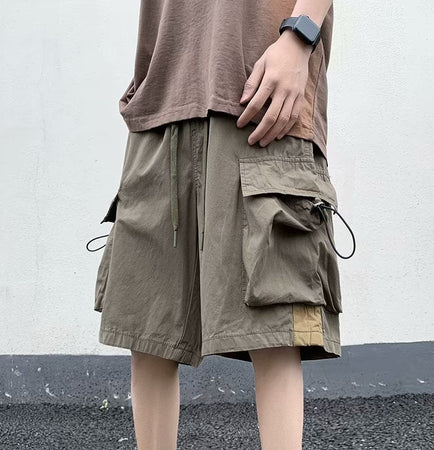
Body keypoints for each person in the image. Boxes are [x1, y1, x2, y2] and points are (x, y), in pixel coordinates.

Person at [86, 0, 352, 448]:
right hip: (163, 94)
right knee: (149, 329)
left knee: (275, 323)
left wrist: (300, 35)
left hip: (261, 95)